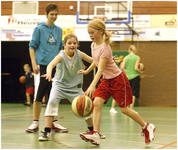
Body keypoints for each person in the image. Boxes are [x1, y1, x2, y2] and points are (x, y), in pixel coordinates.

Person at [78, 19, 156, 145]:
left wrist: (92, 85)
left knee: (124, 110)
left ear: (101, 31)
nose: (91, 35)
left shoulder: (105, 48)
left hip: (118, 80)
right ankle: (96, 133)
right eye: (89, 33)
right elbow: (96, 61)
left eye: (92, 32)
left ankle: (146, 126)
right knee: (97, 103)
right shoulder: (93, 45)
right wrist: (87, 71)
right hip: (106, 80)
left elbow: (101, 68)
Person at [38, 33, 105, 143]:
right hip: (59, 86)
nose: (72, 45)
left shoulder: (79, 54)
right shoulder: (61, 55)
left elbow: (95, 60)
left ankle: (93, 131)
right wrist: (49, 73)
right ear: (64, 45)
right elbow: (51, 64)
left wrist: (107, 60)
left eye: (74, 43)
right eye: (69, 43)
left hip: (75, 88)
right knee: (51, 103)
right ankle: (46, 131)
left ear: (77, 45)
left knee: (86, 108)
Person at [26, 3, 68, 133]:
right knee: (38, 95)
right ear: (46, 14)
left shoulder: (59, 30)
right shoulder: (39, 29)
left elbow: (61, 47)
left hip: (55, 67)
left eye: (56, 14)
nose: (54, 16)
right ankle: (35, 122)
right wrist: (33, 63)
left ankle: (54, 122)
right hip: (41, 67)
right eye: (52, 14)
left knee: (53, 96)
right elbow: (32, 46)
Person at [120, 45, 143, 110]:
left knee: (127, 93)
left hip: (127, 77)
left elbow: (122, 68)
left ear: (129, 50)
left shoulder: (126, 58)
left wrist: (126, 73)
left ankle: (126, 108)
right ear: (135, 50)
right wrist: (140, 71)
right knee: (133, 93)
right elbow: (136, 68)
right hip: (135, 76)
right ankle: (131, 109)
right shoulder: (137, 57)